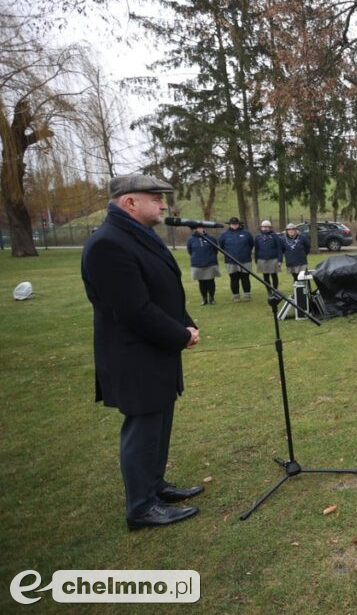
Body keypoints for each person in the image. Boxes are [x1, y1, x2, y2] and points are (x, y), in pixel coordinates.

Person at [81, 174, 203, 530]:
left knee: (159, 422)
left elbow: (163, 290)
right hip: (134, 355)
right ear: (129, 202)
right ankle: (141, 507)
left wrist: (186, 325)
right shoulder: (108, 244)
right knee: (143, 428)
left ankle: (155, 487)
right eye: (155, 198)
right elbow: (134, 310)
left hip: (156, 349)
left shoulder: (137, 235)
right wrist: (178, 335)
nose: (164, 204)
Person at [218, 216, 255, 301]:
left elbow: (251, 244)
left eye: (236, 224)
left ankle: (247, 295)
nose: (234, 225)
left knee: (245, 277)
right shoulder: (224, 234)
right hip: (230, 261)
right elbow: (221, 246)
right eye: (232, 224)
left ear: (239, 224)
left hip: (245, 260)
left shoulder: (246, 233)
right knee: (234, 278)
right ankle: (236, 296)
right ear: (229, 224)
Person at [186, 225, 219, 305]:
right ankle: (204, 299)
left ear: (203, 228)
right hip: (197, 264)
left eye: (200, 228)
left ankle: (211, 298)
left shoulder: (211, 238)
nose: (198, 229)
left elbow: (215, 250)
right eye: (196, 228)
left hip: (210, 263)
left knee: (211, 281)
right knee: (202, 282)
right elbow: (190, 251)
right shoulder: (190, 239)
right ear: (194, 230)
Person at [254, 219, 284, 290]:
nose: (265, 228)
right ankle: (269, 291)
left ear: (270, 228)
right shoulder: (258, 237)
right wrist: (256, 260)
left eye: (267, 227)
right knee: (265, 276)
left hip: (273, 259)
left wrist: (280, 260)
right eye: (263, 227)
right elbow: (256, 249)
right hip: (262, 259)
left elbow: (279, 249)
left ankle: (275, 290)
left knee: (274, 275)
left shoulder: (275, 236)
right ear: (261, 227)